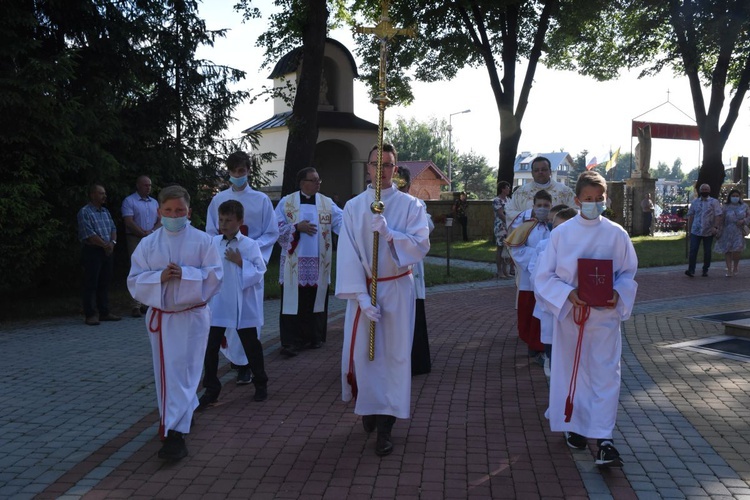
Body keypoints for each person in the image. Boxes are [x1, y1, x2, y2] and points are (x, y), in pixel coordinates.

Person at [534, 170, 638, 468]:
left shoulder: (617, 234)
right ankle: (575, 427)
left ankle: (605, 440)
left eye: (599, 199)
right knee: (574, 375)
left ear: (605, 200)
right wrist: (568, 294)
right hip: (573, 318)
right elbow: (545, 276)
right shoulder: (561, 234)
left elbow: (628, 273)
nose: (593, 203)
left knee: (606, 376)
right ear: (577, 200)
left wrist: (618, 292)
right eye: (588, 199)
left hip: (604, 319)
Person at [337, 144, 430, 457]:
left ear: (396, 169)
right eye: (376, 164)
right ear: (367, 167)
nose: (382, 170)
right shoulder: (353, 207)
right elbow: (347, 252)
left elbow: (420, 246)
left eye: (388, 164)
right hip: (364, 290)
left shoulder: (411, 205)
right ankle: (370, 408)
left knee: (394, 357)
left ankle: (386, 425)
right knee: (366, 354)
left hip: (396, 289)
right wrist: (362, 297)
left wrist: (392, 236)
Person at [127, 185, 223, 462]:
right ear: (159, 212)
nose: (174, 214)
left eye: (179, 210)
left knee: (187, 372)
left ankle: (179, 423)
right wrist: (160, 278)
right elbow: (134, 281)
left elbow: (215, 276)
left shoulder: (203, 241)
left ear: (189, 211)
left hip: (192, 316)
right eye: (168, 210)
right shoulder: (149, 244)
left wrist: (186, 274)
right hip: (162, 317)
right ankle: (176, 429)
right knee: (167, 374)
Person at [206, 151, 279, 383]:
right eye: (235, 171)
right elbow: (210, 232)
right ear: (228, 172)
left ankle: (247, 364)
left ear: (248, 170)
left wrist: (250, 247)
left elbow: (271, 231)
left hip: (248, 259)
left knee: (247, 317)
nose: (239, 175)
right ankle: (235, 362)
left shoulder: (261, 199)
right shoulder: (218, 200)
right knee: (225, 316)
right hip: (225, 262)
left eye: (243, 170)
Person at [200, 200, 269, 408]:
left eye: (229, 220)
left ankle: (260, 384)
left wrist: (241, 262)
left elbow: (259, 271)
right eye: (221, 220)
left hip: (241, 305)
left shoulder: (249, 245)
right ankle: (211, 389)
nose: (224, 224)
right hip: (218, 303)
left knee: (251, 346)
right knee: (210, 347)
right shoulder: (213, 243)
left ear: (240, 221)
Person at [275, 167, 343, 357]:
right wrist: (297, 227)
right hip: (293, 263)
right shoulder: (286, 202)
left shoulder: (327, 203)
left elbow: (343, 222)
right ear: (302, 182)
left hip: (319, 263)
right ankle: (290, 342)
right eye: (313, 180)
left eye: (318, 179)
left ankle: (314, 337)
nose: (318, 183)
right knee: (293, 301)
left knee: (313, 299)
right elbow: (275, 227)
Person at [529, 206, 578, 378]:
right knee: (554, 362)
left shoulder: (581, 250)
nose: (558, 233)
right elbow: (536, 278)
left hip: (575, 314)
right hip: (551, 310)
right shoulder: (544, 248)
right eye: (555, 228)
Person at [395, 167, 434, 375]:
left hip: (411, 270)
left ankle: (416, 362)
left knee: (414, 314)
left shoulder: (417, 204)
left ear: (409, 186)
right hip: (387, 271)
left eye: (402, 184)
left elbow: (427, 226)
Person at [507, 190, 552, 364]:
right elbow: (516, 249)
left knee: (543, 314)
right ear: (533, 207)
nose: (542, 209)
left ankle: (542, 346)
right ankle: (532, 345)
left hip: (548, 279)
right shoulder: (525, 227)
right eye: (539, 205)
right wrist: (539, 257)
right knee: (529, 313)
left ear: (551, 207)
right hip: (529, 278)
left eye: (546, 206)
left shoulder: (555, 227)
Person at [77, 183, 121, 326]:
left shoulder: (105, 212)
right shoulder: (85, 212)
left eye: (104, 193)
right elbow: (89, 234)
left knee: (105, 282)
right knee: (91, 283)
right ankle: (90, 314)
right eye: (101, 193)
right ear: (92, 195)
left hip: (107, 251)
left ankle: (104, 312)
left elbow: (113, 228)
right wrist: (105, 244)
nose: (104, 196)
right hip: (93, 251)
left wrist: (112, 243)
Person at [122, 175, 161, 317]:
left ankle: (147, 303)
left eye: (150, 185)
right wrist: (142, 234)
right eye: (145, 185)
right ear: (138, 186)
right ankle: (135, 305)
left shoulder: (155, 203)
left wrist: (151, 233)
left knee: (150, 269)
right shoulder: (129, 201)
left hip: (151, 239)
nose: (148, 188)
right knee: (136, 269)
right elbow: (128, 221)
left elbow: (160, 220)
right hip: (135, 238)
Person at [505, 156, 575, 224]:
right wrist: (530, 214)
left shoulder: (565, 191)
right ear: (532, 173)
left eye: (544, 169)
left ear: (550, 171)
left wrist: (556, 216)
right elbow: (509, 212)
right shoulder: (520, 193)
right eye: (536, 170)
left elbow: (576, 211)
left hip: (557, 233)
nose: (540, 172)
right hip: (529, 234)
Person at [685, 184, 723, 278]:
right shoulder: (695, 202)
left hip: (709, 231)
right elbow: (691, 216)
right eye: (703, 189)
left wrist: (716, 227)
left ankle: (705, 269)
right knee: (693, 250)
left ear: (709, 191)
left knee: (707, 251)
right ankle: (691, 270)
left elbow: (718, 215)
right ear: (699, 191)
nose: (704, 191)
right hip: (696, 230)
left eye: (706, 189)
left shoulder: (714, 202)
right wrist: (689, 230)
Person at [715, 188, 749, 277]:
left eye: (737, 196)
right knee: (728, 250)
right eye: (733, 196)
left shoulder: (744, 206)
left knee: (737, 250)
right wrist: (718, 229)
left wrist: (744, 221)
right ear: (730, 197)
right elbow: (721, 219)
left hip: (738, 231)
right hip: (727, 230)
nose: (735, 197)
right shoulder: (725, 207)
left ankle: (735, 267)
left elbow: (749, 217)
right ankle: (729, 269)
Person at [493, 181, 512, 279]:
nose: (509, 189)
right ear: (502, 189)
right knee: (500, 248)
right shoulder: (497, 200)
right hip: (500, 226)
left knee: (507, 248)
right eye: (507, 187)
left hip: (508, 226)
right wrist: (508, 222)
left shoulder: (508, 200)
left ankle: (506, 270)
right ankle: (499, 271)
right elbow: (501, 214)